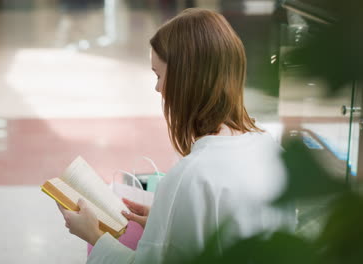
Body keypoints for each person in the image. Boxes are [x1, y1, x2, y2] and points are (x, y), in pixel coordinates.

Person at [57, 8, 290, 264]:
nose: (158, 88)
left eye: (159, 75)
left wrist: (93, 235)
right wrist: (165, 222)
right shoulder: (270, 148)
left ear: (185, 80)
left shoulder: (190, 177)